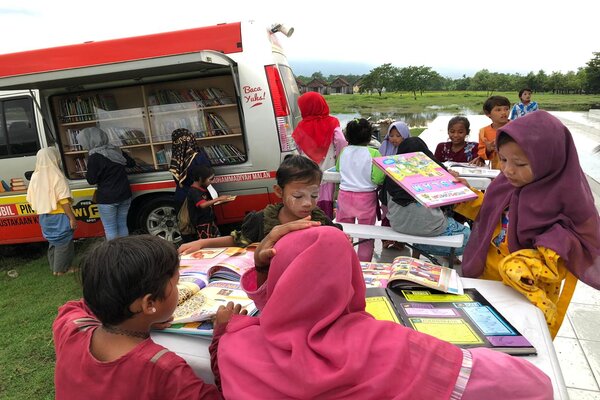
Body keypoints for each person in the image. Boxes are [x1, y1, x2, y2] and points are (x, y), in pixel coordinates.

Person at [210, 226, 553, 399]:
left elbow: (288, 315)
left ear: (278, 284)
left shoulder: (236, 345)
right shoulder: (394, 347)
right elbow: (532, 385)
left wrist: (222, 333)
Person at [456, 111, 600, 338]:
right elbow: (489, 213)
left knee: (517, 342)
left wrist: (529, 262)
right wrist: (462, 195)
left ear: (549, 161)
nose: (508, 170)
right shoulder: (506, 184)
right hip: (487, 277)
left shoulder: (566, 200)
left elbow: (569, 251)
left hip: (527, 291)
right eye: (503, 160)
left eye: (520, 163)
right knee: (481, 337)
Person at [53, 235, 221, 399]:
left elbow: (74, 306)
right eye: (177, 283)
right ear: (149, 304)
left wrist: (133, 315)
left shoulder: (70, 329)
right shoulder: (165, 370)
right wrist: (221, 339)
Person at [178, 155, 341, 255]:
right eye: (297, 196)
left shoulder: (319, 219)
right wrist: (201, 243)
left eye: (314, 195)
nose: (308, 203)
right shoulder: (262, 219)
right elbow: (237, 241)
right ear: (279, 191)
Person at [383, 137, 470, 261]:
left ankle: (419, 248)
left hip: (398, 225)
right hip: (432, 227)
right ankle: (425, 247)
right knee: (470, 237)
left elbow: (384, 201)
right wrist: (447, 176)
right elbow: (449, 202)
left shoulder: (391, 174)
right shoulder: (434, 172)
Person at [336, 118, 385, 261]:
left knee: (345, 234)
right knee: (366, 237)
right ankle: (364, 266)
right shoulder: (374, 153)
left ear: (347, 137)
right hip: (366, 198)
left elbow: (339, 168)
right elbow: (378, 179)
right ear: (370, 136)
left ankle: (345, 261)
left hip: (344, 197)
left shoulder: (344, 151)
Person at [292, 92, 347, 219]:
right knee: (326, 197)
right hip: (328, 168)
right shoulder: (333, 122)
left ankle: (311, 222)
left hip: (307, 170)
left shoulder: (301, 125)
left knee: (309, 197)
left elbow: (296, 148)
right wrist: (338, 159)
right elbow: (341, 141)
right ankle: (325, 222)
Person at [26, 147, 78, 276]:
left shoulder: (35, 176)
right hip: (60, 216)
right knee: (64, 243)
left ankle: (55, 266)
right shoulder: (56, 175)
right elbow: (63, 201)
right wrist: (71, 218)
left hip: (44, 216)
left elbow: (30, 198)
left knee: (53, 242)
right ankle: (61, 270)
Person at [77, 127, 135, 241]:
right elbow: (131, 163)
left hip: (107, 198)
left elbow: (91, 180)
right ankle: (127, 252)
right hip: (125, 194)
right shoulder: (116, 150)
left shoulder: (94, 157)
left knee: (110, 228)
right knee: (122, 225)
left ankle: (114, 255)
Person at [169, 128, 212, 215]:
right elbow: (207, 174)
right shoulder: (198, 157)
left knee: (185, 225)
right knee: (202, 224)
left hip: (180, 196)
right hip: (198, 196)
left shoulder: (175, 159)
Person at [186, 165, 231, 240]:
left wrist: (222, 201)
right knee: (207, 245)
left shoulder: (204, 189)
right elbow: (202, 205)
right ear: (200, 179)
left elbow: (209, 202)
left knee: (217, 240)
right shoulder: (194, 191)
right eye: (210, 179)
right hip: (202, 224)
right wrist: (218, 199)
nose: (211, 181)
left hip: (210, 221)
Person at [472, 96, 511, 169]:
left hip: (516, 167)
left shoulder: (517, 127)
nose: (503, 112)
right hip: (496, 169)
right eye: (498, 110)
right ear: (488, 114)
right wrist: (488, 149)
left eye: (506, 109)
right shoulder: (484, 132)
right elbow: (482, 154)